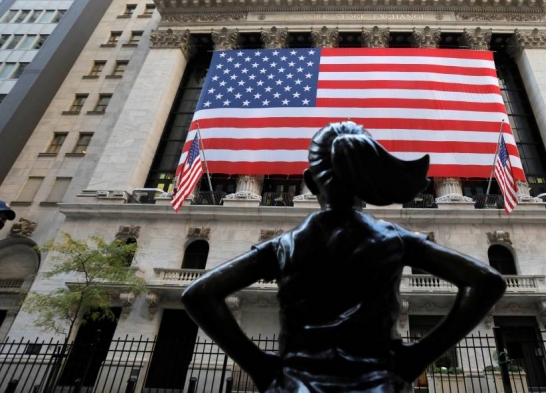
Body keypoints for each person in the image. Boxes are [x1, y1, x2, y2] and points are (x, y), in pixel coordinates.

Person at [182, 122, 506, 393]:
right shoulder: (394, 239)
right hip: (377, 385)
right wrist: (417, 359)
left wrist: (261, 367)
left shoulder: (285, 245)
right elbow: (487, 281)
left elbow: (199, 294)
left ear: (310, 182)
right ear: (366, 183)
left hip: (297, 385)